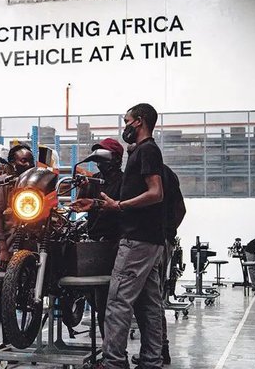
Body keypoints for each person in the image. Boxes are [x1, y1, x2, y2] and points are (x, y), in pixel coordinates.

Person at [92, 103, 165, 369]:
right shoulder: (142, 151)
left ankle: (113, 362)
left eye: (127, 121)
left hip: (137, 240)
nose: (125, 126)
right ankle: (151, 360)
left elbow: (156, 192)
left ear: (139, 121)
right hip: (149, 240)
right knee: (149, 305)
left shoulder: (147, 150)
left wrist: (120, 206)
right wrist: (96, 204)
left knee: (117, 302)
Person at [131, 163, 186, 366]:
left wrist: (164, 234)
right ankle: (159, 349)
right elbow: (180, 209)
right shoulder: (162, 172)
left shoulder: (152, 172)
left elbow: (180, 209)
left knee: (150, 298)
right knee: (154, 296)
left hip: (153, 241)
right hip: (159, 240)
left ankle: (157, 351)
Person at [0, 144, 34, 346]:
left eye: (30, 161)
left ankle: (9, 343)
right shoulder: (2, 183)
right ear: (12, 162)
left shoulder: (30, 184)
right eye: (23, 160)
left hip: (18, 250)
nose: (28, 164)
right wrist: (3, 249)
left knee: (10, 299)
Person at [73, 138, 124, 339]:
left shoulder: (125, 181)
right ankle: (108, 347)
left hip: (116, 244)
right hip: (96, 243)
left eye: (103, 155)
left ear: (116, 158)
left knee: (111, 302)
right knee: (98, 299)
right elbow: (80, 203)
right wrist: (82, 187)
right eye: (97, 156)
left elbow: (124, 207)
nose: (99, 160)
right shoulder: (93, 180)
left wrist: (97, 204)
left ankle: (112, 349)